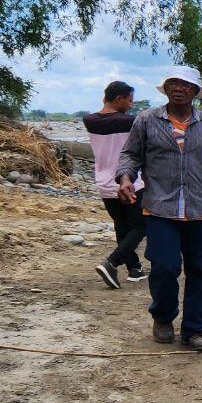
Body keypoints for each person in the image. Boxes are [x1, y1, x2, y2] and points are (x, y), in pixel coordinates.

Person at [115, 65, 202, 351]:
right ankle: (163, 318)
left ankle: (195, 330)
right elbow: (130, 155)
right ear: (166, 88)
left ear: (195, 92)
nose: (178, 88)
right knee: (165, 266)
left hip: (200, 210)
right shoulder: (147, 120)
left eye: (185, 85)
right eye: (173, 83)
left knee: (200, 270)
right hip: (160, 208)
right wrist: (125, 179)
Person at [85, 80, 148, 288]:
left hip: (104, 182)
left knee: (122, 226)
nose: (131, 105)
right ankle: (112, 263)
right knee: (141, 225)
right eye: (129, 101)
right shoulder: (131, 122)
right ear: (119, 99)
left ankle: (135, 268)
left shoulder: (89, 120)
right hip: (129, 181)